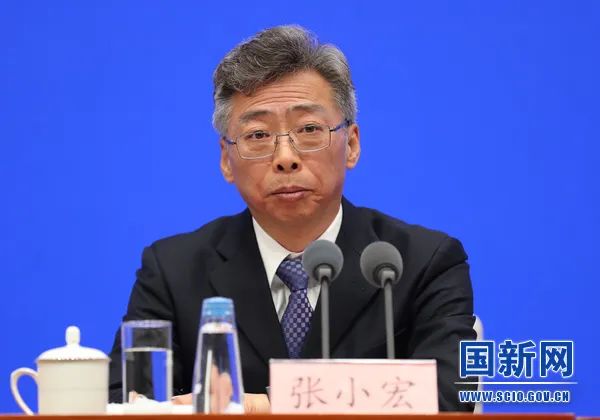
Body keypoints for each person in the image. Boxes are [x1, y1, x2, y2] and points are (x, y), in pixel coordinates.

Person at [108, 24, 476, 412]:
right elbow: (125, 401)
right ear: (226, 159)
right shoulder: (173, 271)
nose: (285, 157)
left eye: (309, 129)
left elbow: (450, 396)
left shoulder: (422, 262)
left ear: (351, 144)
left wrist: (270, 406)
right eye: (258, 135)